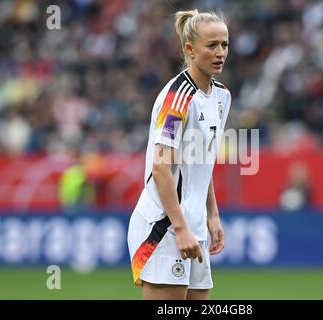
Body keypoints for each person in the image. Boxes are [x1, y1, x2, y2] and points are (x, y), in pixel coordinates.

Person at [127, 9, 231, 300]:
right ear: (190, 49)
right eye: (211, 45)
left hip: (192, 226)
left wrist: (212, 214)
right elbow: (162, 168)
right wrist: (181, 227)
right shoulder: (177, 99)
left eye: (224, 44)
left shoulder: (222, 96)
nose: (220, 52)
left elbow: (202, 161)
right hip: (165, 226)